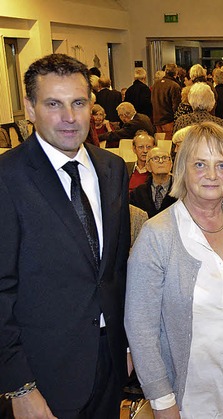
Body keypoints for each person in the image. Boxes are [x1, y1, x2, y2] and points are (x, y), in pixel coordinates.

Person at [0, 53, 130, 418]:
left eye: (78, 103)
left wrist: (128, 345)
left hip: (109, 363)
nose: (70, 118)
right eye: (54, 104)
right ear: (29, 108)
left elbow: (116, 269)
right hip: (43, 374)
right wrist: (19, 385)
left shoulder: (111, 168)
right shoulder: (7, 179)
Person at [125, 122, 223, 418]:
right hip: (188, 403)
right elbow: (140, 327)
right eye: (200, 164)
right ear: (183, 169)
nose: (212, 175)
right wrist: (162, 400)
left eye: (222, 165)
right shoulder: (157, 235)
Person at [129, 147, 177, 218]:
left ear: (171, 164)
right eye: (155, 158)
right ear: (148, 166)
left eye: (165, 158)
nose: (161, 161)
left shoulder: (182, 190)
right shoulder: (137, 193)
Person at [151, 63, 181, 141]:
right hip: (168, 121)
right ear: (176, 73)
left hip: (156, 120)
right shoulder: (174, 86)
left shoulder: (155, 85)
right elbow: (176, 106)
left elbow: (152, 102)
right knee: (168, 145)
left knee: (160, 145)